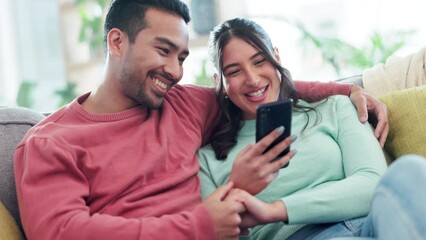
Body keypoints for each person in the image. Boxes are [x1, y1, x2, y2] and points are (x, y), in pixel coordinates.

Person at [14, 1, 388, 239]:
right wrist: (201, 222)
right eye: (163, 51)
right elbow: (61, 232)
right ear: (116, 42)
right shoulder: (51, 142)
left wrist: (344, 91)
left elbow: (253, 89)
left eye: (181, 57)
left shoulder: (181, 105)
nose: (175, 70)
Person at [197, 17, 410, 239]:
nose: (252, 79)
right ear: (218, 82)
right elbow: (222, 231)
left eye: (260, 61)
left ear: (276, 57)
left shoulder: (334, 106)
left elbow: (374, 184)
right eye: (234, 71)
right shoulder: (206, 161)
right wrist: (238, 187)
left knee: (411, 170)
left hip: (377, 223)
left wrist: (275, 210)